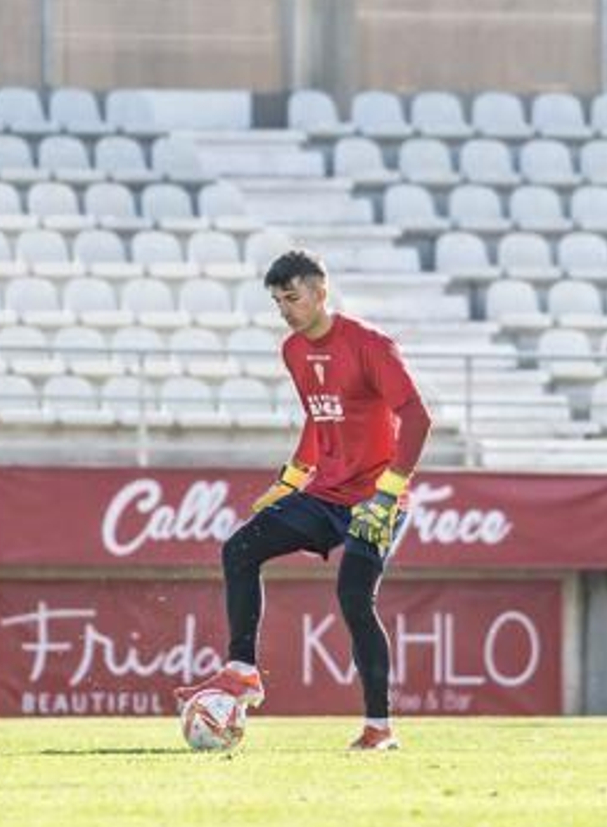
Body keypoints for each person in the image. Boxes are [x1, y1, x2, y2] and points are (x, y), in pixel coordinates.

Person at [175, 249, 432, 750]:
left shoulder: (371, 346)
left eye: (291, 297)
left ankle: (379, 729)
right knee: (239, 549)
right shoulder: (293, 351)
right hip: (324, 493)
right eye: (277, 301)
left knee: (355, 599)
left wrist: (388, 493)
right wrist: (292, 479)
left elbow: (418, 419)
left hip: (374, 501)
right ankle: (243, 669)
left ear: (320, 292)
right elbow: (320, 419)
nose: (285, 309)